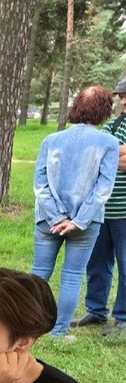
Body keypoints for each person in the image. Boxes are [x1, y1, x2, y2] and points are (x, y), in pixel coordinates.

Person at [32, 85, 119, 339]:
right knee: (71, 276)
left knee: (39, 273)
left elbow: (40, 184)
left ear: (76, 107)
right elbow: (104, 188)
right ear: (105, 112)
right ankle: (58, 332)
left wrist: (56, 216)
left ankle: (24, 326)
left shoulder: (51, 139)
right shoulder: (109, 143)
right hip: (85, 223)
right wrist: (78, 221)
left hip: (47, 220)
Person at [73, 77, 126, 339]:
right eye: (121, 97)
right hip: (103, 208)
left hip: (125, 211)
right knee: (97, 262)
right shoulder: (114, 125)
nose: (123, 101)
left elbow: (103, 156)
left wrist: (106, 157)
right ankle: (95, 310)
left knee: (125, 264)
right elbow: (91, 153)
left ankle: (123, 318)